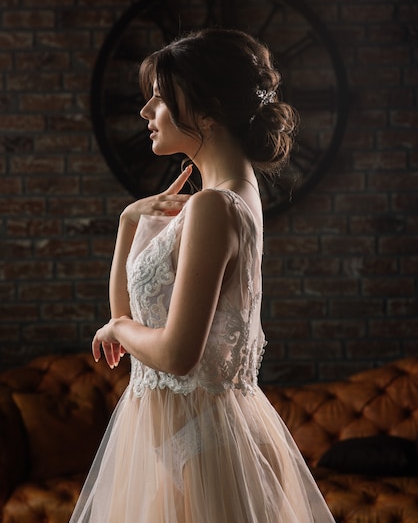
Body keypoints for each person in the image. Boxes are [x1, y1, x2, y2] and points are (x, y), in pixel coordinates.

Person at [70, 28, 335, 522]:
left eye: (159, 99)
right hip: (180, 441)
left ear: (208, 109)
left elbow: (174, 353)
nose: (146, 112)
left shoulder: (215, 206)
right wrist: (130, 223)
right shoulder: (227, 196)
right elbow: (131, 313)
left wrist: (116, 331)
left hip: (202, 448)